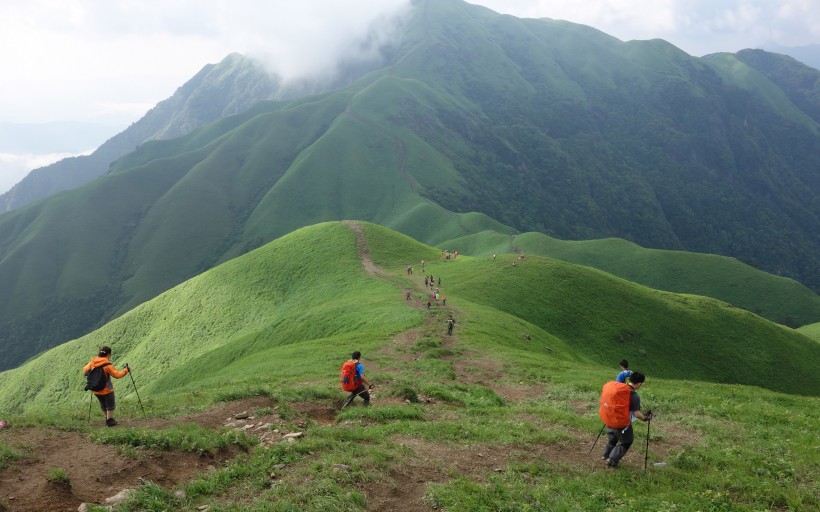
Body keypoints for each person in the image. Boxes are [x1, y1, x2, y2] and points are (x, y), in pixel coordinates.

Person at [603, 372, 651, 468]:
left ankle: (606, 455)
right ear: (639, 384)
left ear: (629, 379)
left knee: (612, 439)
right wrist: (645, 418)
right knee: (627, 441)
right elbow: (636, 413)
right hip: (621, 423)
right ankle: (612, 460)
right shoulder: (634, 395)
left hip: (609, 418)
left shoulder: (618, 388)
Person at [82, 346, 129, 427]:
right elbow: (117, 375)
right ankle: (109, 421)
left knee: (103, 404)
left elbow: (84, 371)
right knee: (110, 405)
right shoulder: (107, 364)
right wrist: (126, 370)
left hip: (95, 389)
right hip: (106, 389)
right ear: (108, 354)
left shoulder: (92, 363)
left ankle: (107, 418)